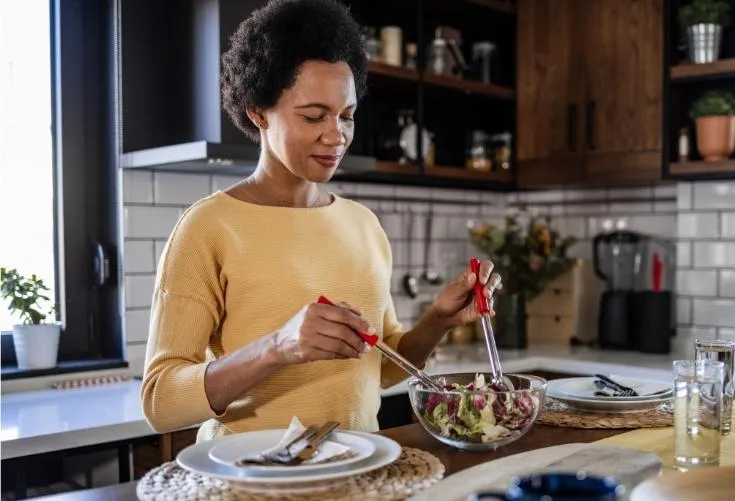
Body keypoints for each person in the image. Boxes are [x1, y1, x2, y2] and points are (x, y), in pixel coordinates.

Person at [140, 0, 501, 441]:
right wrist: (279, 346)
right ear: (257, 112)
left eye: (346, 116)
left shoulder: (363, 224)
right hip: (254, 484)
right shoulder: (208, 227)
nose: (336, 136)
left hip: (359, 469)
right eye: (313, 116)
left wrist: (437, 322)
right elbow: (160, 403)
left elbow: (382, 367)